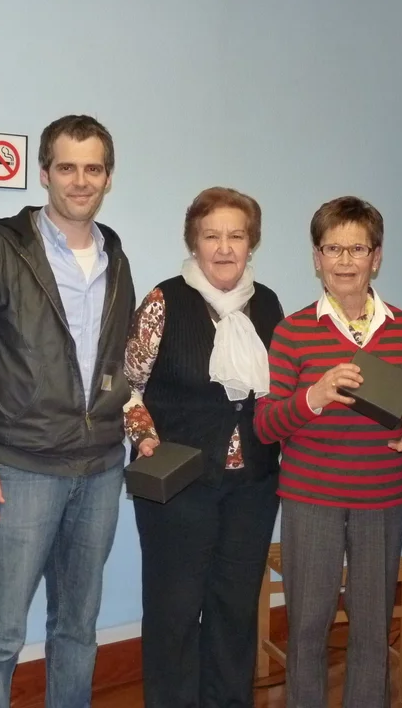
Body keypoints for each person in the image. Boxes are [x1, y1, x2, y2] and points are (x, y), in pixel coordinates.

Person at [0, 115, 135, 708]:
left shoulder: (115, 257)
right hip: (18, 471)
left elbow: (116, 365)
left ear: (108, 177)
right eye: (67, 167)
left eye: (92, 168)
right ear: (44, 173)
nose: (80, 180)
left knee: (78, 629)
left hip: (100, 470)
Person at [254, 196, 402, 707]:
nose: (344, 260)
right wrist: (313, 397)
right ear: (316, 258)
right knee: (307, 625)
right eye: (332, 249)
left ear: (375, 258)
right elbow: (266, 425)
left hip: (381, 499)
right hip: (310, 498)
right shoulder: (292, 331)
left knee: (372, 627)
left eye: (356, 249)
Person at [123, 187, 283, 708]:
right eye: (212, 235)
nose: (224, 247)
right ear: (194, 242)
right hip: (178, 486)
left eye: (236, 235)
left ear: (251, 243)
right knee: (173, 613)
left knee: (235, 611)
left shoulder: (268, 304)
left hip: (253, 486)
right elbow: (126, 387)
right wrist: (144, 436)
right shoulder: (163, 301)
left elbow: (279, 391)